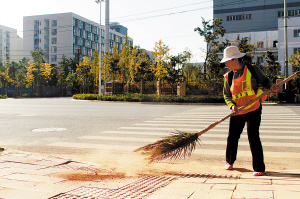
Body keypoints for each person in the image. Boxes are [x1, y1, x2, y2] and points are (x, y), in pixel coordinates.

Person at [221, 46, 279, 176]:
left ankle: (259, 167)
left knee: (253, 136)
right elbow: (226, 94)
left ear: (235, 59)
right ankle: (229, 161)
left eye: (227, 61)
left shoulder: (252, 69)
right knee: (232, 137)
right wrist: (231, 106)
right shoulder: (228, 77)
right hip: (237, 110)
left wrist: (271, 87)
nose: (226, 64)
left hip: (254, 108)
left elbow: (265, 81)